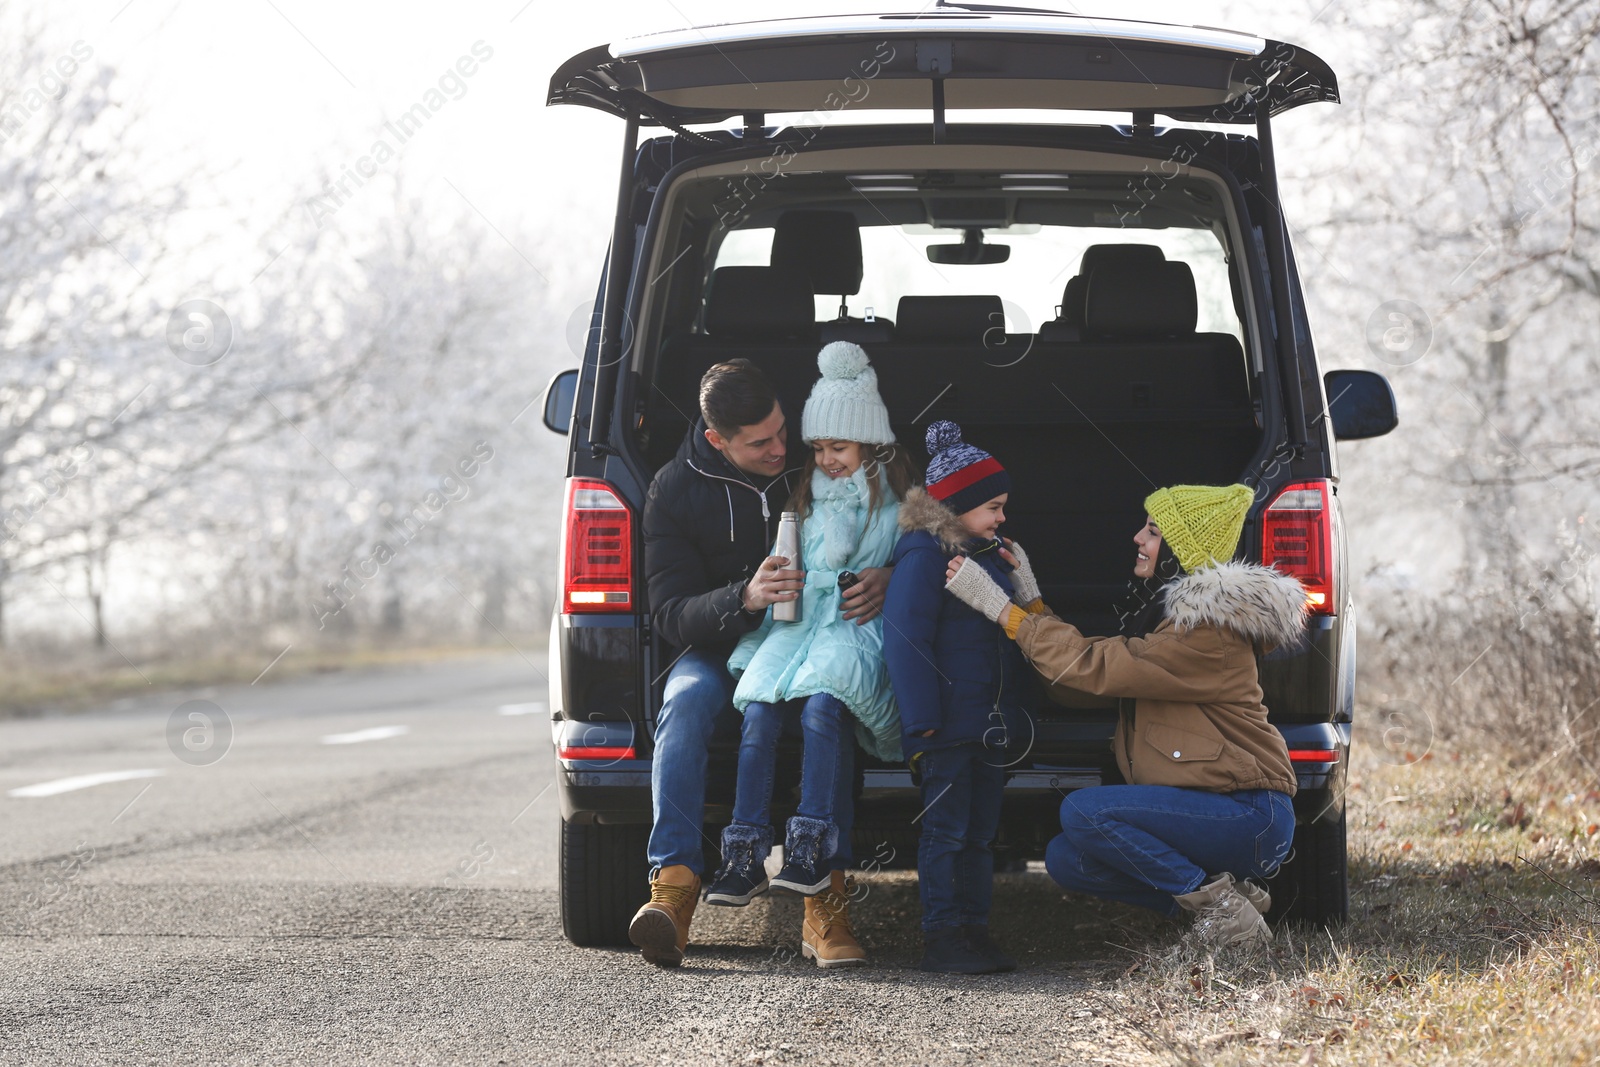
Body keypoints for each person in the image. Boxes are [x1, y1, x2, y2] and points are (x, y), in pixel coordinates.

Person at [942, 483, 1307, 949]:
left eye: (1153, 532)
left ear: (1178, 552)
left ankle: (1217, 908)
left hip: (1249, 814)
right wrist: (1031, 606)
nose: (1138, 538)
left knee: (1081, 810)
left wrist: (1004, 611)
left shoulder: (1207, 634)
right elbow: (1085, 682)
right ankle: (1228, 907)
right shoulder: (1174, 626)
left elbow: (1094, 665)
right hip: (1220, 810)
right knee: (1067, 859)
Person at [632, 358, 891, 968]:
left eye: (782, 430)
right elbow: (668, 613)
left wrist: (890, 577)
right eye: (760, 443)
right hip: (723, 645)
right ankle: (672, 891)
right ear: (717, 439)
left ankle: (823, 900)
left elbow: (893, 517)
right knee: (685, 704)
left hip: (817, 636)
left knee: (830, 701)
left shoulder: (818, 457)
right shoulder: (673, 489)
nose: (781, 449)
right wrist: (743, 598)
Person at [709, 342, 914, 969]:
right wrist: (775, 583)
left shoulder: (900, 502)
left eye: (839, 449)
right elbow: (787, 562)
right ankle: (743, 851)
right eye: (819, 447)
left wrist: (888, 576)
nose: (826, 459)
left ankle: (812, 846)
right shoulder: (801, 493)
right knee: (761, 709)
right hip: (796, 626)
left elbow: (928, 559)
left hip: (851, 629)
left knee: (824, 708)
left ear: (871, 445)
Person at [882, 421, 1031, 974]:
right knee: (946, 832)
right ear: (958, 505)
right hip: (945, 727)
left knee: (980, 835)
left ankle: (975, 931)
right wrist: (921, 720)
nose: (1001, 516)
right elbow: (904, 637)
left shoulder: (990, 556)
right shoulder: (924, 556)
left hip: (987, 725)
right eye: (992, 506)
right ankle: (943, 935)